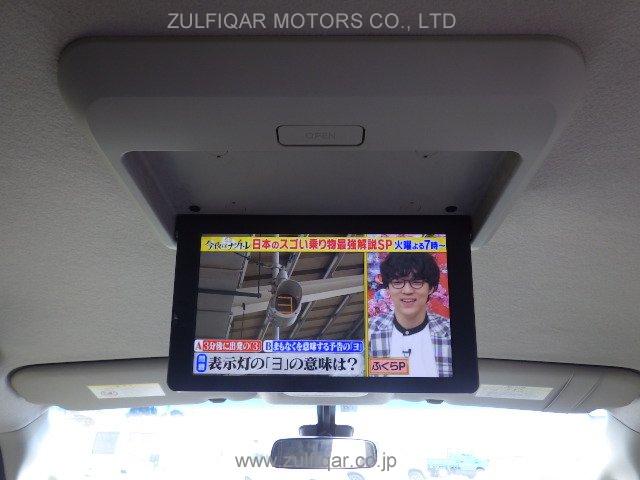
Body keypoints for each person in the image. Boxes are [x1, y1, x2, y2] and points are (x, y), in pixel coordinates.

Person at [369, 252, 452, 377]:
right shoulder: (369, 330)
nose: (407, 291)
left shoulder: (450, 332)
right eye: (397, 282)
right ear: (387, 288)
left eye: (417, 282)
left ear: (431, 288)